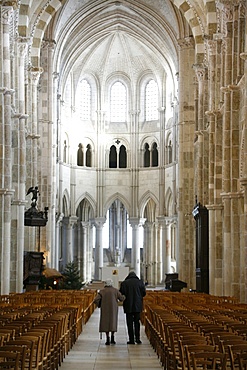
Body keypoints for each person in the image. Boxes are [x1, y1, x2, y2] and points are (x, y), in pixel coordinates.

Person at [93, 278, 125, 345]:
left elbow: (96, 300)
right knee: (113, 321)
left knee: (106, 323)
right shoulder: (115, 290)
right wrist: (125, 296)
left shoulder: (102, 291)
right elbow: (121, 298)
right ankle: (113, 337)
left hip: (105, 309)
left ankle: (107, 338)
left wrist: (100, 304)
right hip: (113, 309)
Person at [119, 270, 146, 345]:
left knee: (129, 322)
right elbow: (144, 293)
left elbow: (121, 293)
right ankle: (137, 338)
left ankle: (131, 339)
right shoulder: (140, 282)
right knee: (137, 322)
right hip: (138, 305)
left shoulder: (124, 283)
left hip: (128, 305)